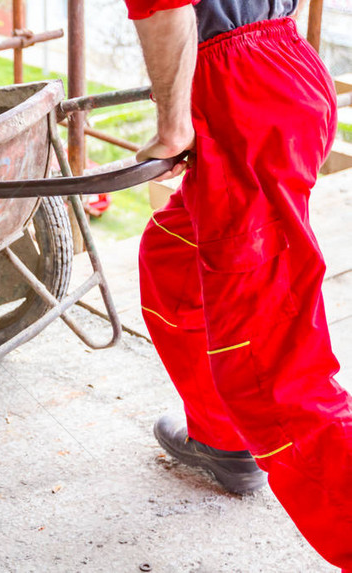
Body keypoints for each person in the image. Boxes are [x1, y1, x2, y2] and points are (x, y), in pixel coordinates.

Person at [123, 0, 352, 569]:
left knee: (275, 372)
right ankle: (224, 441)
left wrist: (174, 126)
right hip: (283, 63)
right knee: (174, 260)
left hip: (240, 91)